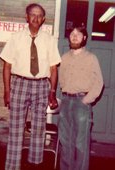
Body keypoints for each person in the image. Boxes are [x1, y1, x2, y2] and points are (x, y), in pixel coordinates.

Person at [0, 3, 61, 170]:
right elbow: (7, 66)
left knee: (38, 128)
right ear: (26, 17)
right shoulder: (16, 38)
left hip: (41, 86)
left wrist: (52, 93)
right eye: (32, 15)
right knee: (16, 128)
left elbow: (54, 68)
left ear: (43, 19)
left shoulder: (49, 40)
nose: (35, 18)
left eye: (39, 15)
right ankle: (12, 166)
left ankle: (34, 165)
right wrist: (7, 91)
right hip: (19, 84)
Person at [58, 23, 104, 170]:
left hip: (81, 104)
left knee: (80, 144)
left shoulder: (91, 58)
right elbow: (61, 79)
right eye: (72, 34)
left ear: (84, 38)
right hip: (65, 102)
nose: (74, 36)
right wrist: (64, 94)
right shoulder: (64, 58)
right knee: (65, 142)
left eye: (78, 34)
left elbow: (99, 82)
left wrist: (85, 100)